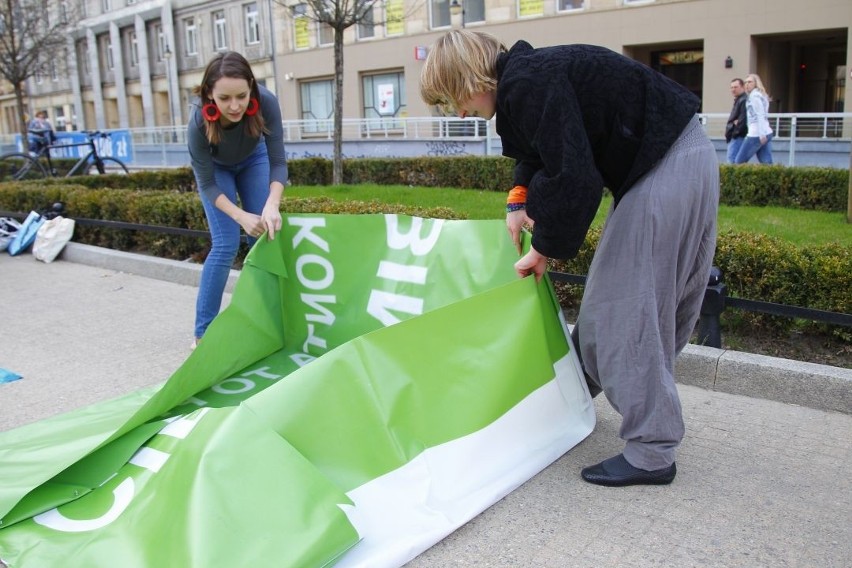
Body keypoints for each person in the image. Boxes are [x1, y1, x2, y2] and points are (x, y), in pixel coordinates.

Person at [421, 30, 719, 487]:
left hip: (665, 165)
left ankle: (652, 452)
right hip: (679, 157)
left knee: (624, 307)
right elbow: (543, 150)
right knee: (631, 302)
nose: (459, 112)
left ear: (470, 76)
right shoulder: (528, 77)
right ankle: (574, 395)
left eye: (453, 98)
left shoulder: (525, 83)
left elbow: (575, 178)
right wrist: (518, 200)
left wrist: (543, 249)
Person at [187, 51, 288, 347]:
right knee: (226, 244)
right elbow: (206, 184)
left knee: (266, 236)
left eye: (242, 96)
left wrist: (272, 204)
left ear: (252, 88)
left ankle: (265, 323)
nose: (235, 106)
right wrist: (242, 216)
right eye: (225, 98)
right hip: (217, 170)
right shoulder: (197, 123)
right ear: (210, 95)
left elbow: (279, 161)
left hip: (253, 159)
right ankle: (203, 334)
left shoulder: (266, 102)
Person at [734, 73, 773, 164]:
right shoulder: (761, 95)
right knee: (766, 163)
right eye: (745, 82)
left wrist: (761, 134)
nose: (747, 84)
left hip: (756, 133)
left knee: (739, 162)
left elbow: (760, 114)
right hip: (765, 132)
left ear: (756, 83)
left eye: (750, 82)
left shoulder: (754, 96)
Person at [725, 78, 748, 163]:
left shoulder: (743, 100)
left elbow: (742, 120)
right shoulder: (739, 100)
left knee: (732, 161)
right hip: (735, 135)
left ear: (742, 87)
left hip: (738, 136)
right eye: (732, 87)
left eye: (736, 87)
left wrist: (734, 133)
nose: (733, 89)